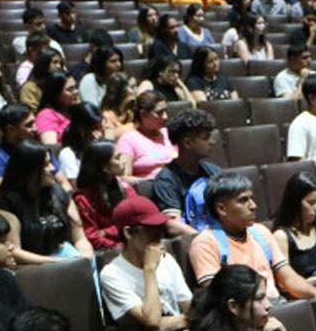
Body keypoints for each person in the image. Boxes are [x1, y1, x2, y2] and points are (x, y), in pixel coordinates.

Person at [190, 172, 316, 300]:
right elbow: (218, 298)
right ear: (221, 209)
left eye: (251, 198)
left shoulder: (261, 232)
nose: (253, 206)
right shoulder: (205, 243)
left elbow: (289, 279)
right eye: (243, 200)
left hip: (274, 306)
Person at [0, 141, 93, 264]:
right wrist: (60, 263)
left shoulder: (59, 193)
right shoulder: (7, 203)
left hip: (64, 257)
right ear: (29, 170)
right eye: (46, 165)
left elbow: (80, 237)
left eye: (51, 163)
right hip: (32, 267)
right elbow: (14, 251)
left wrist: (86, 257)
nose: (53, 169)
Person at [100, 196, 192, 331]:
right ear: (128, 233)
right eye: (150, 228)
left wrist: (186, 320)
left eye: (160, 227)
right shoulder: (112, 274)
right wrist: (149, 269)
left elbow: (189, 308)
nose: (159, 234)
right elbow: (152, 321)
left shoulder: (166, 259)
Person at [150, 107, 221, 236]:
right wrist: (206, 242)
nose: (212, 142)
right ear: (187, 143)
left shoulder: (213, 171)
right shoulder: (166, 179)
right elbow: (173, 225)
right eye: (205, 138)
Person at [271, 170, 316, 290]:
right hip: (304, 298)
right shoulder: (281, 236)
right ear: (295, 203)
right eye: (311, 203)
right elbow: (283, 285)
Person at [71, 140, 135, 250]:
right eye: (118, 157)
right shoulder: (83, 199)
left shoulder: (125, 187)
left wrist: (106, 232)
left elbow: (138, 220)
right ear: (104, 167)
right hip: (110, 252)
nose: (124, 161)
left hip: (132, 243)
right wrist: (122, 247)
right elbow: (93, 238)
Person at [115, 91, 177, 179]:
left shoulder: (168, 132)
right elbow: (124, 178)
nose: (165, 116)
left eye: (165, 111)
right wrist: (149, 183)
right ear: (144, 114)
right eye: (160, 113)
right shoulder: (128, 140)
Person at [0, 103, 35, 182]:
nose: (36, 128)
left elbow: (62, 181)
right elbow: (3, 191)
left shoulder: (39, 147)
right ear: (11, 129)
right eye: (29, 125)